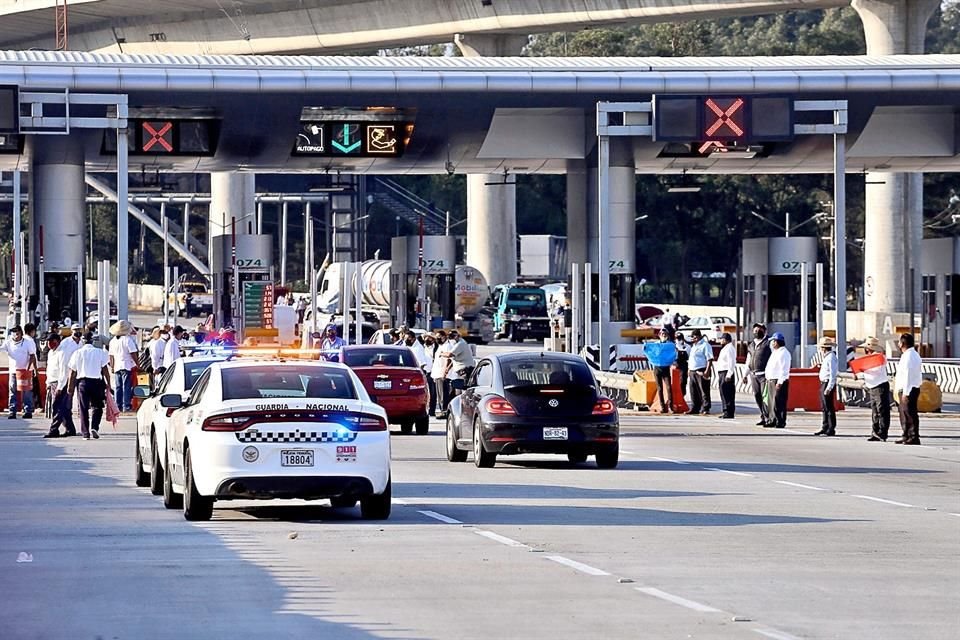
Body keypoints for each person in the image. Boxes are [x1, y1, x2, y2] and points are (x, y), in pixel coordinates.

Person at [67, 332, 111, 440]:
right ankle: (95, 426)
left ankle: (85, 433)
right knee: (98, 407)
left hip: (82, 383)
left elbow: (72, 372)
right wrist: (109, 384)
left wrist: (70, 387)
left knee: (83, 408)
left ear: (82, 341)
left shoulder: (77, 353)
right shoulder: (99, 352)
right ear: (92, 341)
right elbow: (105, 370)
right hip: (97, 382)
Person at [856, 336, 891, 441]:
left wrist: (862, 371)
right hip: (873, 385)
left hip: (879, 385)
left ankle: (882, 432)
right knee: (875, 411)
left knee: (881, 410)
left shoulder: (879, 357)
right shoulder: (872, 358)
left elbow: (875, 371)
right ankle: (876, 432)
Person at [43, 333, 78, 438]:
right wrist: (48, 382)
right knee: (64, 408)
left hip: (60, 382)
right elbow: (49, 369)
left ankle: (54, 430)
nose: (48, 344)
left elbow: (64, 371)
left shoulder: (63, 352)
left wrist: (60, 387)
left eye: (50, 341)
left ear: (56, 341)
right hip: (53, 381)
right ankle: (70, 429)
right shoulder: (50, 353)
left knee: (58, 407)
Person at [894, 333, 922, 445]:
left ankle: (913, 436)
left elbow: (907, 375)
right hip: (909, 387)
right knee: (904, 413)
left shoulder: (909, 356)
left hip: (909, 388)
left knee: (909, 413)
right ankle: (906, 434)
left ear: (902, 343)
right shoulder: (911, 354)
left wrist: (906, 392)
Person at [5, 325, 37, 419]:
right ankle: (12, 411)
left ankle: (28, 411)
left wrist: (29, 368)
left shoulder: (28, 342)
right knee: (12, 391)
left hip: (25, 370)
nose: (15, 334)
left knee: (26, 391)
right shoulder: (8, 343)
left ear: (21, 332)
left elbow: (32, 355)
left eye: (17, 331)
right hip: (14, 371)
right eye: (13, 332)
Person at [108, 321, 138, 412]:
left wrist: (112, 367)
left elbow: (111, 356)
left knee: (118, 387)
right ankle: (126, 406)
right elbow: (133, 353)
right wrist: (138, 364)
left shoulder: (113, 341)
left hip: (117, 366)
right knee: (126, 387)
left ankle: (118, 405)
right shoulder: (127, 340)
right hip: (126, 366)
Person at [763, 332, 791, 429]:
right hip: (771, 379)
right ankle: (772, 419)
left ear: (778, 342)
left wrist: (780, 382)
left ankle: (780, 421)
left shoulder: (784, 353)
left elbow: (784, 369)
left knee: (779, 402)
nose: (772, 343)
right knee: (772, 402)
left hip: (778, 380)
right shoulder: (775, 352)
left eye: (773, 341)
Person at [746, 323, 773, 427]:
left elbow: (773, 358)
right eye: (755, 330)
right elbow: (748, 360)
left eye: (759, 330)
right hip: (753, 375)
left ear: (764, 331)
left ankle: (769, 417)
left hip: (764, 375)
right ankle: (763, 416)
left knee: (765, 397)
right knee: (757, 396)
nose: (757, 332)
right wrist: (745, 374)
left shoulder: (768, 342)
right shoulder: (751, 345)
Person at [647, 329, 677, 413]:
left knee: (668, 387)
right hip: (657, 368)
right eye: (662, 334)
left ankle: (670, 406)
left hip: (666, 368)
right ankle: (662, 406)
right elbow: (650, 351)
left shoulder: (669, 345)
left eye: (665, 334)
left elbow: (674, 352)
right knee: (659, 388)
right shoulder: (656, 344)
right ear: (659, 335)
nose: (663, 335)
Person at [439, 330, 476, 397]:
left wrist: (441, 353)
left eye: (453, 336)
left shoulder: (460, 344)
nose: (452, 339)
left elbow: (449, 354)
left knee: (461, 392)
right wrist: (447, 369)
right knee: (456, 390)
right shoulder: (456, 344)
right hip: (461, 371)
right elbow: (454, 359)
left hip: (465, 371)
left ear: (457, 336)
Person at [814, 336, 838, 436]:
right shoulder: (827, 357)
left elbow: (833, 373)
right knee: (824, 407)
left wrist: (829, 387)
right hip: (823, 382)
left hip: (827, 382)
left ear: (824, 348)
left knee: (829, 407)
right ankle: (825, 426)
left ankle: (831, 427)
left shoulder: (831, 357)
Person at [686, 329, 713, 415]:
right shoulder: (694, 346)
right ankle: (695, 407)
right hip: (692, 371)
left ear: (697, 337)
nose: (692, 339)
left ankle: (706, 408)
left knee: (704, 390)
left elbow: (709, 359)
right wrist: (689, 370)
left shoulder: (705, 345)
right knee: (693, 390)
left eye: (693, 337)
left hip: (701, 370)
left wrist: (707, 371)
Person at [429, 331, 451, 417]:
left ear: (444, 337)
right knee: (439, 395)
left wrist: (445, 371)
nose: (438, 339)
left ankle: (444, 411)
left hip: (442, 373)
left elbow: (449, 359)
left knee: (443, 395)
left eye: (439, 337)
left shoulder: (447, 346)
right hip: (437, 373)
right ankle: (443, 410)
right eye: (437, 337)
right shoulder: (441, 346)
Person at [716, 332, 737, 419]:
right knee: (723, 392)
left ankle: (729, 411)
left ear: (725, 339)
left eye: (721, 339)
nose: (720, 340)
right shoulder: (725, 348)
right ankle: (726, 411)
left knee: (727, 393)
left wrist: (729, 374)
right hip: (722, 372)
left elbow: (731, 362)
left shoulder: (730, 348)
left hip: (726, 372)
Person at [674, 332, 690, 398]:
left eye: (680, 338)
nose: (678, 340)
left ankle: (682, 395)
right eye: (677, 339)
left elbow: (689, 356)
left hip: (683, 364)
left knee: (683, 381)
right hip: (675, 364)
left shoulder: (687, 346)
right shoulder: (673, 346)